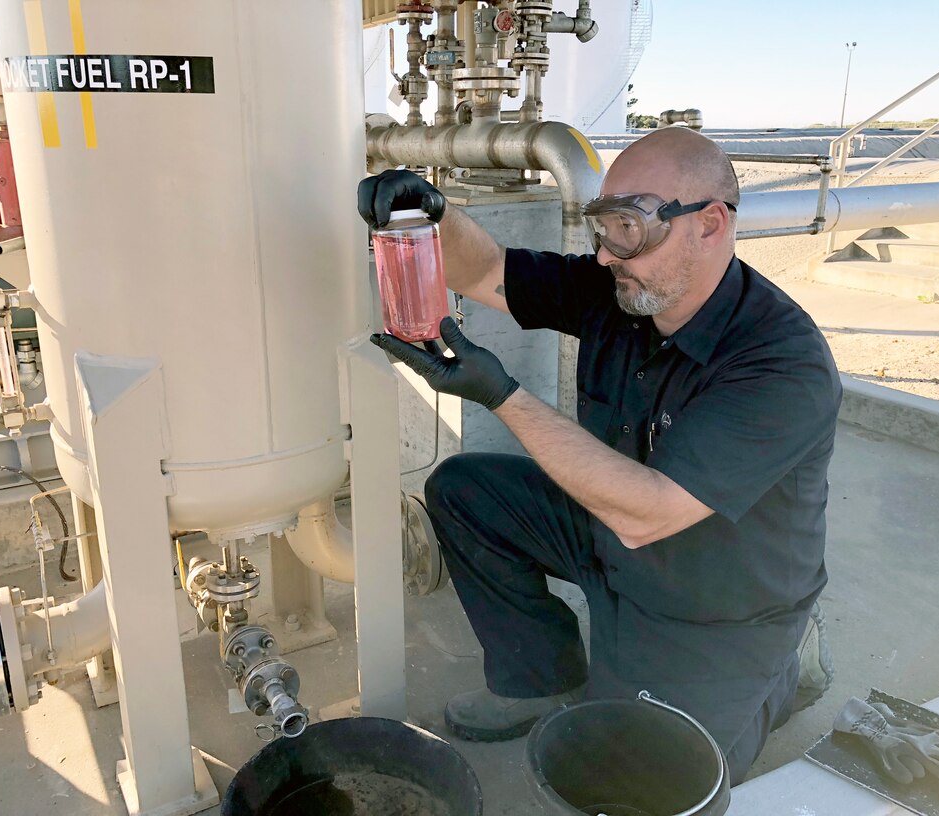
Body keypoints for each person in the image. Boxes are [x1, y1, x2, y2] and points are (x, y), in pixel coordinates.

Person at [358, 127, 842, 784]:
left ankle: (780, 664)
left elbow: (649, 512)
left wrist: (502, 395)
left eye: (629, 228)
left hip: (712, 603)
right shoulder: (622, 288)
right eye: (602, 228)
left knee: (647, 779)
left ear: (709, 224)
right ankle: (540, 678)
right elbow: (485, 271)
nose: (609, 254)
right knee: (466, 491)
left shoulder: (781, 364)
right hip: (611, 543)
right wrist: (435, 213)